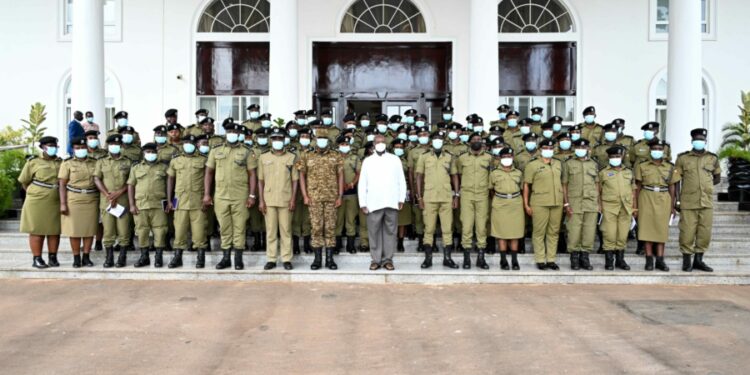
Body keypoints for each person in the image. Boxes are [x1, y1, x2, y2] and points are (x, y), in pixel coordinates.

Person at [204, 122, 257, 270]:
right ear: (225, 133)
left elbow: (252, 174)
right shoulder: (215, 150)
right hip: (221, 196)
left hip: (240, 196)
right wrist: (207, 194)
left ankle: (238, 259)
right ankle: (226, 258)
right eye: (229, 131)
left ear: (239, 133)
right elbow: (208, 173)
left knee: (239, 228)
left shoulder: (246, 151)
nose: (232, 133)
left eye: (234, 131)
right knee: (225, 228)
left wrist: (252, 195)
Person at [297, 126, 344, 270]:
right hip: (314, 198)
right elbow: (301, 176)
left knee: (330, 228)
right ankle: (317, 259)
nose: (322, 141)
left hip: (331, 197)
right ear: (315, 140)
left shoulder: (336, 155)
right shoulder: (306, 155)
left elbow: (340, 175)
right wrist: (305, 195)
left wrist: (340, 195)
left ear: (328, 140)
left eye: (324, 139)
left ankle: (330, 259)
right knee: (316, 228)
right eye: (319, 138)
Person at [675, 128, 721, 272]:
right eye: (696, 139)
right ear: (692, 141)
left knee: (704, 232)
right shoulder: (683, 158)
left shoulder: (712, 158)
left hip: (706, 202)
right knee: (687, 232)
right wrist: (677, 200)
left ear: (705, 141)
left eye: (701, 139)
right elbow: (676, 180)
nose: (699, 141)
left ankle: (699, 260)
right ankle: (687, 261)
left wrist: (705, 187)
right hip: (688, 202)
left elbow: (717, 177)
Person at [358, 135, 407, 271]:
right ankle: (375, 259)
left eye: (382, 142)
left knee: (390, 232)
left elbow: (401, 180)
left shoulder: (394, 159)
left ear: (386, 144)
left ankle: (388, 260)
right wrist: (363, 202)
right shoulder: (368, 161)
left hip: (391, 201)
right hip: (373, 202)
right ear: (373, 144)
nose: (380, 144)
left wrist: (401, 198)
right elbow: (362, 183)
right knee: (373, 232)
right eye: (378, 142)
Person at [635, 140, 681, 271]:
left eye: (660, 149)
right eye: (654, 148)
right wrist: (636, 205)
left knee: (661, 230)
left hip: (663, 197)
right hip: (646, 196)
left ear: (664, 151)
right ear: (650, 150)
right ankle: (649, 259)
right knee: (646, 229)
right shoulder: (642, 166)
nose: (657, 151)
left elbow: (672, 186)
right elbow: (637, 186)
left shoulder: (670, 167)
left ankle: (660, 260)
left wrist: (672, 205)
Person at [415, 130, 459, 269]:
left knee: (447, 229)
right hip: (429, 198)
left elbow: (454, 176)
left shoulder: (449, 157)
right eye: (435, 138)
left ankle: (448, 258)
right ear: (431, 141)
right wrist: (419, 197)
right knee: (429, 229)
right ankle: (428, 259)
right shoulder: (424, 156)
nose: (438, 140)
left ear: (443, 140)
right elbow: (418, 177)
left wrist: (456, 195)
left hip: (446, 197)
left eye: (440, 138)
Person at [18, 136, 63, 268]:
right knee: (37, 230)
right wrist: (35, 193)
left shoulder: (61, 162)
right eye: (50, 145)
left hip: (55, 199)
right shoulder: (33, 162)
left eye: (55, 145)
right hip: (37, 200)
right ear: (43, 147)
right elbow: (24, 182)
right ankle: (37, 258)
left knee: (54, 230)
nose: (53, 148)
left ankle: (52, 257)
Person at [165, 135, 209, 268]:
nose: (188, 144)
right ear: (183, 144)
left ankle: (200, 258)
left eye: (191, 142)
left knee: (199, 232)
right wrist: (169, 200)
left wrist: (207, 197)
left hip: (198, 200)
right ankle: (177, 257)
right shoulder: (175, 160)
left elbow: (209, 180)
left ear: (195, 144)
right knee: (179, 231)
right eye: (186, 142)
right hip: (180, 201)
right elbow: (170, 180)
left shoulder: (204, 159)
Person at [259, 128, 299, 270]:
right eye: (274, 138)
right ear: (271, 140)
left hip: (286, 199)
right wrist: (261, 200)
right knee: (270, 230)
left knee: (286, 230)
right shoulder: (263, 157)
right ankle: (271, 259)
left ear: (284, 140)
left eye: (280, 139)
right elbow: (260, 180)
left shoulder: (292, 157)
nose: (277, 141)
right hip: (269, 199)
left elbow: (295, 180)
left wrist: (293, 199)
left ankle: (286, 259)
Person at [452, 131, 492, 269]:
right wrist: (457, 194)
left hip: (482, 195)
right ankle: (466, 258)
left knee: (481, 227)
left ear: (482, 142)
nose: (477, 141)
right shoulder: (462, 158)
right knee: (467, 225)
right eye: (474, 139)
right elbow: (457, 175)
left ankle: (481, 258)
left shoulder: (489, 158)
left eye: (479, 139)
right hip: (467, 195)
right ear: (469, 142)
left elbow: (492, 176)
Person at [94, 134, 134, 268]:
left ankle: (122, 257)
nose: (114, 147)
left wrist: (119, 193)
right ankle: (109, 257)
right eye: (112, 144)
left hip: (123, 201)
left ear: (121, 146)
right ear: (108, 146)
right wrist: (107, 194)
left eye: (117, 144)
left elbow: (131, 182)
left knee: (124, 230)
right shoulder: (101, 161)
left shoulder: (127, 162)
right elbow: (96, 179)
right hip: (106, 201)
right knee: (108, 230)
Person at [523, 138, 563, 270]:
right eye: (545, 148)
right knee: (539, 232)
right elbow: (526, 185)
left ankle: (551, 259)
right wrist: (526, 204)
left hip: (556, 202)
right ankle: (540, 259)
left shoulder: (558, 163)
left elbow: (562, 183)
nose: (548, 151)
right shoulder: (532, 165)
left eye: (551, 148)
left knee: (554, 232)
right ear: (540, 149)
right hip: (539, 203)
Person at [58, 137, 98, 267]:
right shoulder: (67, 164)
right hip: (74, 199)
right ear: (73, 149)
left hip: (91, 199)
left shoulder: (95, 162)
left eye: (83, 147)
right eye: (77, 148)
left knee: (89, 229)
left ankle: (86, 256)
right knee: (74, 230)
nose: (81, 150)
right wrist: (63, 203)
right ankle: (76, 257)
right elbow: (62, 185)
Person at [127, 143, 168, 268]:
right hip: (141, 205)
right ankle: (144, 257)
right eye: (147, 151)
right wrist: (132, 205)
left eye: (152, 151)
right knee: (142, 231)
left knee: (160, 230)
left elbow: (170, 186)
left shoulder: (164, 167)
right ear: (143, 153)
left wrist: (169, 203)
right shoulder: (136, 168)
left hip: (159, 205)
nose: (150, 154)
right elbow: (130, 185)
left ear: (157, 152)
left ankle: (158, 257)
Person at [562, 138, 599, 271]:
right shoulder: (568, 163)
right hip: (574, 202)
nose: (581, 150)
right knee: (574, 231)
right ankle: (574, 258)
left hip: (591, 202)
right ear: (574, 148)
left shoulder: (593, 164)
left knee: (589, 231)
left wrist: (598, 203)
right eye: (578, 147)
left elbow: (597, 184)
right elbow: (564, 184)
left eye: (584, 148)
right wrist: (566, 203)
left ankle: (585, 258)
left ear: (588, 149)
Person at [598, 146, 637, 271]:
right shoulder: (603, 172)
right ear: (609, 158)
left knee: (622, 235)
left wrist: (634, 207)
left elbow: (633, 190)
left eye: (618, 156)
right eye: (613, 157)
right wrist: (599, 206)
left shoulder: (629, 172)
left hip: (625, 207)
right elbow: (598, 191)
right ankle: (609, 261)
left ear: (622, 157)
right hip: (609, 207)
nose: (615, 159)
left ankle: (620, 260)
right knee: (609, 234)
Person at [490, 146, 524, 270]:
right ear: (499, 158)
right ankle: (503, 260)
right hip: (500, 203)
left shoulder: (519, 173)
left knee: (515, 233)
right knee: (501, 233)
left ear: (513, 157)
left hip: (515, 203)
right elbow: (491, 189)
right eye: (504, 157)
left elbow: (522, 188)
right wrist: (500, 198)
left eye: (509, 156)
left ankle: (514, 260)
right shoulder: (494, 173)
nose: (507, 159)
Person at [335, 135, 361, 254]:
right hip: (336, 193)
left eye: (346, 144)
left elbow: (358, 173)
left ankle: (350, 245)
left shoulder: (355, 158)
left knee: (351, 219)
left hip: (351, 192)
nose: (345, 146)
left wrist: (351, 183)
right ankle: (337, 245)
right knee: (338, 219)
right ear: (338, 145)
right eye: (342, 144)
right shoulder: (334, 157)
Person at [391, 138, 412, 252]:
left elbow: (409, 174)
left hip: (404, 190)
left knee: (403, 218)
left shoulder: (405, 160)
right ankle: (392, 239)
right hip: (390, 191)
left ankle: (400, 241)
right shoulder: (388, 159)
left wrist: (410, 190)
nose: (398, 149)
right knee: (391, 216)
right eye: (396, 147)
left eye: (400, 147)